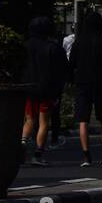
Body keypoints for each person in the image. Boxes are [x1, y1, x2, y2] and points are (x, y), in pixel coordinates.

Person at [70, 12, 102, 166]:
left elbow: (71, 64)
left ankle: (86, 156)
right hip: (100, 83)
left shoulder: (78, 42)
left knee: (83, 120)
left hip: (83, 83)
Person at [22, 17, 69, 166]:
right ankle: (38, 154)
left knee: (29, 120)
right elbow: (63, 71)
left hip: (28, 89)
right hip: (47, 90)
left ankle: (21, 148)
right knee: (43, 123)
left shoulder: (24, 46)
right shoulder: (53, 48)